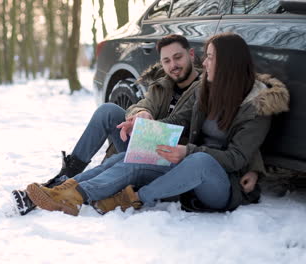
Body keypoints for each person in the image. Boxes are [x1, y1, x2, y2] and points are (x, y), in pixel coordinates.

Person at [25, 32, 290, 216]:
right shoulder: (204, 89)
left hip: (220, 181)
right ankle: (66, 193)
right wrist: (142, 126)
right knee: (127, 161)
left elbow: (238, 155)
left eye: (209, 57)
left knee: (199, 161)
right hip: (183, 160)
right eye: (166, 60)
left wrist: (190, 152)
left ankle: (135, 198)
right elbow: (177, 119)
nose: (205, 61)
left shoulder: (257, 105)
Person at [12, 34, 203, 215]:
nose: (173, 65)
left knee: (121, 162)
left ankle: (66, 193)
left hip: (174, 158)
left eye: (178, 57)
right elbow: (144, 104)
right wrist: (141, 113)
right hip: (147, 146)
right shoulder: (163, 85)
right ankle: (66, 177)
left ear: (191, 54)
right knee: (108, 111)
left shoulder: (204, 89)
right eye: (166, 61)